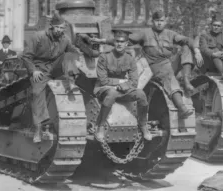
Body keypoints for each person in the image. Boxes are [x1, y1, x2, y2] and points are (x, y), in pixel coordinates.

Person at [126, 10, 203, 121]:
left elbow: (187, 40)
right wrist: (104, 41)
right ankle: (181, 107)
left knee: (185, 47)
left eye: (161, 21)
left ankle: (186, 81)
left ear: (165, 22)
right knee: (168, 75)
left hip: (168, 64)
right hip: (153, 67)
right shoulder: (145, 33)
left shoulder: (170, 34)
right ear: (152, 22)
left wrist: (196, 50)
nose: (159, 23)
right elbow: (125, 40)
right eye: (157, 21)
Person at [21, 11, 82, 143]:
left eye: (62, 28)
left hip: (55, 68)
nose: (59, 30)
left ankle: (71, 82)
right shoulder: (38, 37)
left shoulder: (64, 39)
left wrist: (79, 55)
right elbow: (26, 56)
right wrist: (33, 71)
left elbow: (72, 50)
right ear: (52, 26)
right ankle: (38, 127)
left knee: (68, 55)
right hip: (40, 69)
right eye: (57, 27)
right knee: (37, 92)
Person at [95, 28, 152, 142]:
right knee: (111, 93)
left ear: (126, 44)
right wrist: (120, 83)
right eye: (117, 41)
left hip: (123, 90)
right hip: (103, 89)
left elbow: (134, 82)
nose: (119, 44)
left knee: (141, 94)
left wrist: (122, 86)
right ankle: (100, 127)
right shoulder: (104, 57)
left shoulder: (130, 59)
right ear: (114, 42)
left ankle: (143, 124)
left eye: (122, 42)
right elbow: (103, 80)